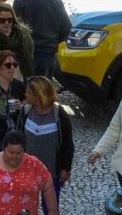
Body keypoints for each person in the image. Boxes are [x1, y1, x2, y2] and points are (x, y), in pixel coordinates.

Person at [0, 130, 58, 215]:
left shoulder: (35, 165)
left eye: (18, 153)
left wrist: (52, 211)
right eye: (11, 152)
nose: (14, 157)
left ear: (24, 150)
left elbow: (48, 186)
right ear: (4, 149)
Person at [19, 75, 75, 208]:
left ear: (38, 94)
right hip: (27, 173)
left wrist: (66, 168)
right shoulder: (25, 112)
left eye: (28, 92)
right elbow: (18, 139)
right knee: (26, 209)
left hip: (51, 174)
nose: (25, 94)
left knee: (50, 209)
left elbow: (67, 144)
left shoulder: (60, 115)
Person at [12, 0, 71, 78]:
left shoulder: (20, 2)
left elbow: (13, 29)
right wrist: (53, 42)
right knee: (44, 89)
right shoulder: (56, 2)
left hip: (26, 53)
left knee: (27, 89)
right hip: (48, 53)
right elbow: (66, 28)